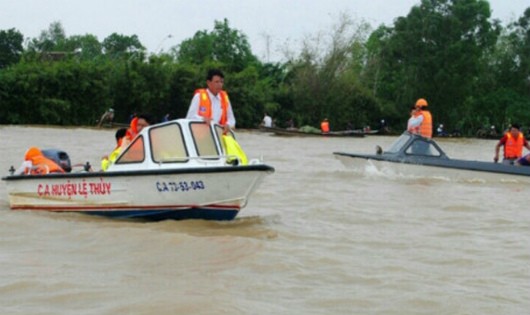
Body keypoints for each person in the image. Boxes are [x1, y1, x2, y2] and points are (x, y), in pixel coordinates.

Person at [186, 69, 236, 133]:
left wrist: (228, 125)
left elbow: (232, 120)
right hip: (199, 138)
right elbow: (189, 117)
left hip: (217, 137)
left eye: (221, 82)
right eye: (217, 82)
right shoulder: (199, 96)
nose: (220, 84)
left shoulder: (224, 98)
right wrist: (202, 119)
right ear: (208, 83)